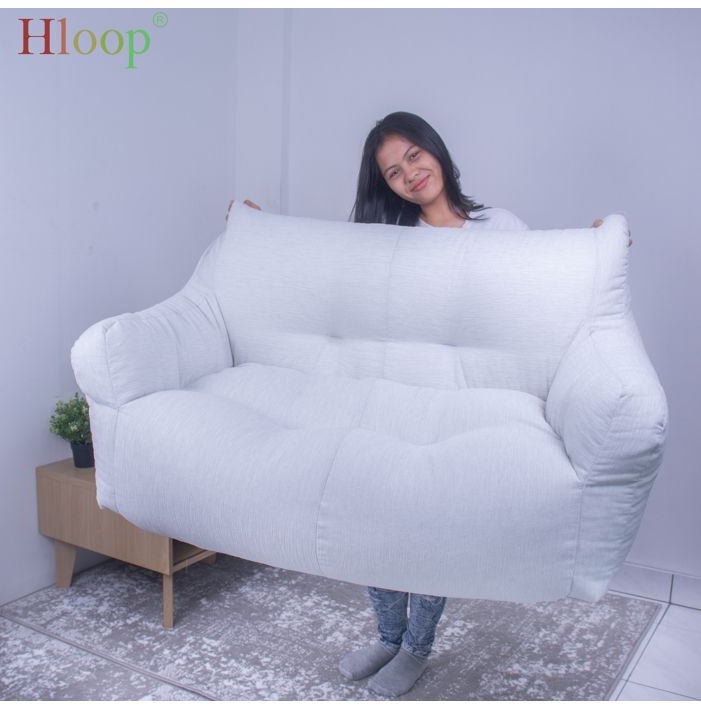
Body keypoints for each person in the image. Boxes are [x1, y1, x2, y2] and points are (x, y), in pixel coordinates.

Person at [226, 110, 631, 698]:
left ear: (434, 150)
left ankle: (416, 647)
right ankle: (388, 637)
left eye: (413, 156)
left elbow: (548, 286)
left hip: (464, 406)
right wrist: (257, 236)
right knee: (371, 519)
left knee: (428, 528)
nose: (409, 174)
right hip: (393, 396)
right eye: (393, 172)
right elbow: (319, 268)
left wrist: (597, 250)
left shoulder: (499, 227)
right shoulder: (389, 240)